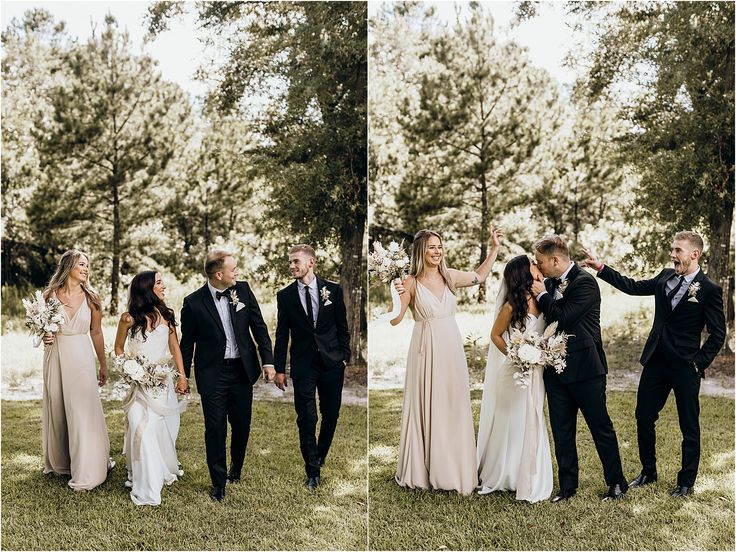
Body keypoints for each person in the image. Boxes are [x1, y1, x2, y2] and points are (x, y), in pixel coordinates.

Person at [582, 231, 726, 497]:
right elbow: (633, 286)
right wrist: (600, 268)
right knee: (643, 416)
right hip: (656, 362)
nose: (672, 255)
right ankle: (649, 471)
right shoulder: (664, 277)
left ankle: (686, 482)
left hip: (685, 368)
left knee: (689, 425)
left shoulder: (709, 290)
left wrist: (698, 363)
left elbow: (718, 333)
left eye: (678, 251)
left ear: (694, 254)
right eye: (672, 250)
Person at [391, 228, 502, 496]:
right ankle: (427, 468)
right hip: (425, 348)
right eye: (431, 247)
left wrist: (495, 248)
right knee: (429, 403)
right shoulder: (409, 283)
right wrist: (394, 294)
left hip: (451, 347)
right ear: (420, 251)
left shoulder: (449, 276)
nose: (437, 251)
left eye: (440, 246)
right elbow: (395, 319)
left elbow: (479, 276)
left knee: (453, 403)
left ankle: (454, 468)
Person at [530, 235, 628, 501]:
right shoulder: (549, 283)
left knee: (600, 427)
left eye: (540, 262)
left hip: (586, 368)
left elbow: (562, 316)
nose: (538, 268)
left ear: (555, 260)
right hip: (555, 368)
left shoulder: (586, 283)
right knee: (562, 430)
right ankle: (568, 487)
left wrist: (542, 295)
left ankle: (617, 483)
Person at [180, 250, 275, 502]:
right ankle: (218, 482)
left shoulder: (242, 291)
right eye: (233, 269)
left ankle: (236, 469)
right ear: (219, 274)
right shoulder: (193, 303)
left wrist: (268, 361)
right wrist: (183, 376)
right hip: (212, 373)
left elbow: (260, 328)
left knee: (242, 425)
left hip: (242, 370)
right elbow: (187, 344)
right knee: (215, 428)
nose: (237, 273)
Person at [273, 244, 351, 491]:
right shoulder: (285, 296)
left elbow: (342, 326)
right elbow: (282, 334)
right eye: (290, 262)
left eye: (296, 261)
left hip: (331, 363)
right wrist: (279, 369)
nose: (292, 266)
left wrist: (344, 357)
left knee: (331, 414)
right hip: (303, 364)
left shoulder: (333, 290)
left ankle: (320, 453)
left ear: (311, 263)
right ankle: (312, 471)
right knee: (307, 417)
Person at [476, 255, 553, 502]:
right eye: (532, 262)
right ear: (523, 271)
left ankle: (530, 472)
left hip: (537, 370)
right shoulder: (511, 304)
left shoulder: (545, 296)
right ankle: (505, 474)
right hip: (515, 372)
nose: (537, 265)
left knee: (534, 415)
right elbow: (495, 335)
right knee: (513, 420)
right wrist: (516, 354)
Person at [114, 270, 188, 505]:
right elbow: (118, 348)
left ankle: (158, 470)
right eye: (158, 282)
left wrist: (182, 376)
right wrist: (129, 368)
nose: (163, 285)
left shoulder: (167, 315)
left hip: (161, 383)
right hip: (138, 384)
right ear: (147, 288)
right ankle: (146, 483)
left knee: (160, 429)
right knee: (139, 427)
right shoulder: (129, 318)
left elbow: (175, 348)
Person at [41, 249, 112, 491]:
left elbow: (96, 332)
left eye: (87, 265)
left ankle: (88, 469)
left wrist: (103, 363)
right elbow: (43, 326)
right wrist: (45, 335)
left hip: (81, 355)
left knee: (82, 410)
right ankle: (63, 463)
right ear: (68, 265)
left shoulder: (92, 297)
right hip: (56, 355)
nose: (86, 269)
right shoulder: (49, 295)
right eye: (81, 264)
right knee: (58, 408)